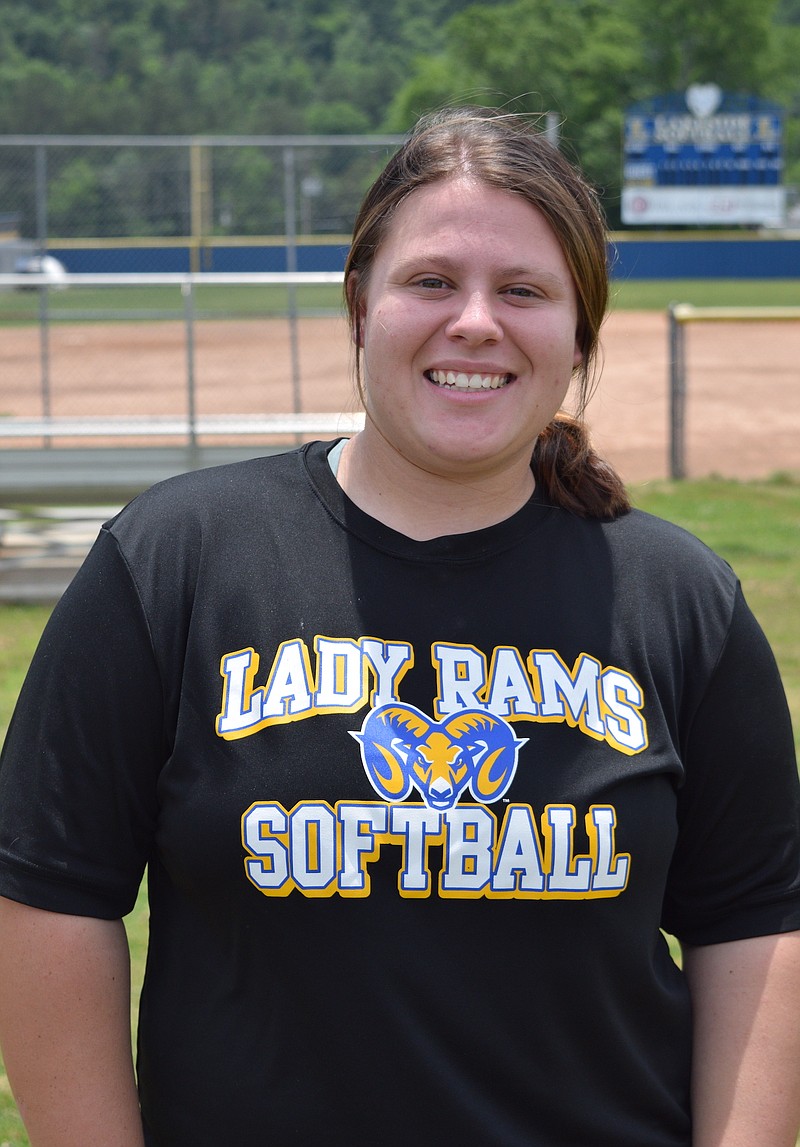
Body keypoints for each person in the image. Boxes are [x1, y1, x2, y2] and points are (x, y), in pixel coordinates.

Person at [0, 105, 799, 1147]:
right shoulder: (177, 560)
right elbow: (48, 894)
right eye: (431, 281)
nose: (474, 321)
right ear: (359, 306)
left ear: (576, 334)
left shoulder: (675, 597)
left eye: (522, 290)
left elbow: (753, 926)